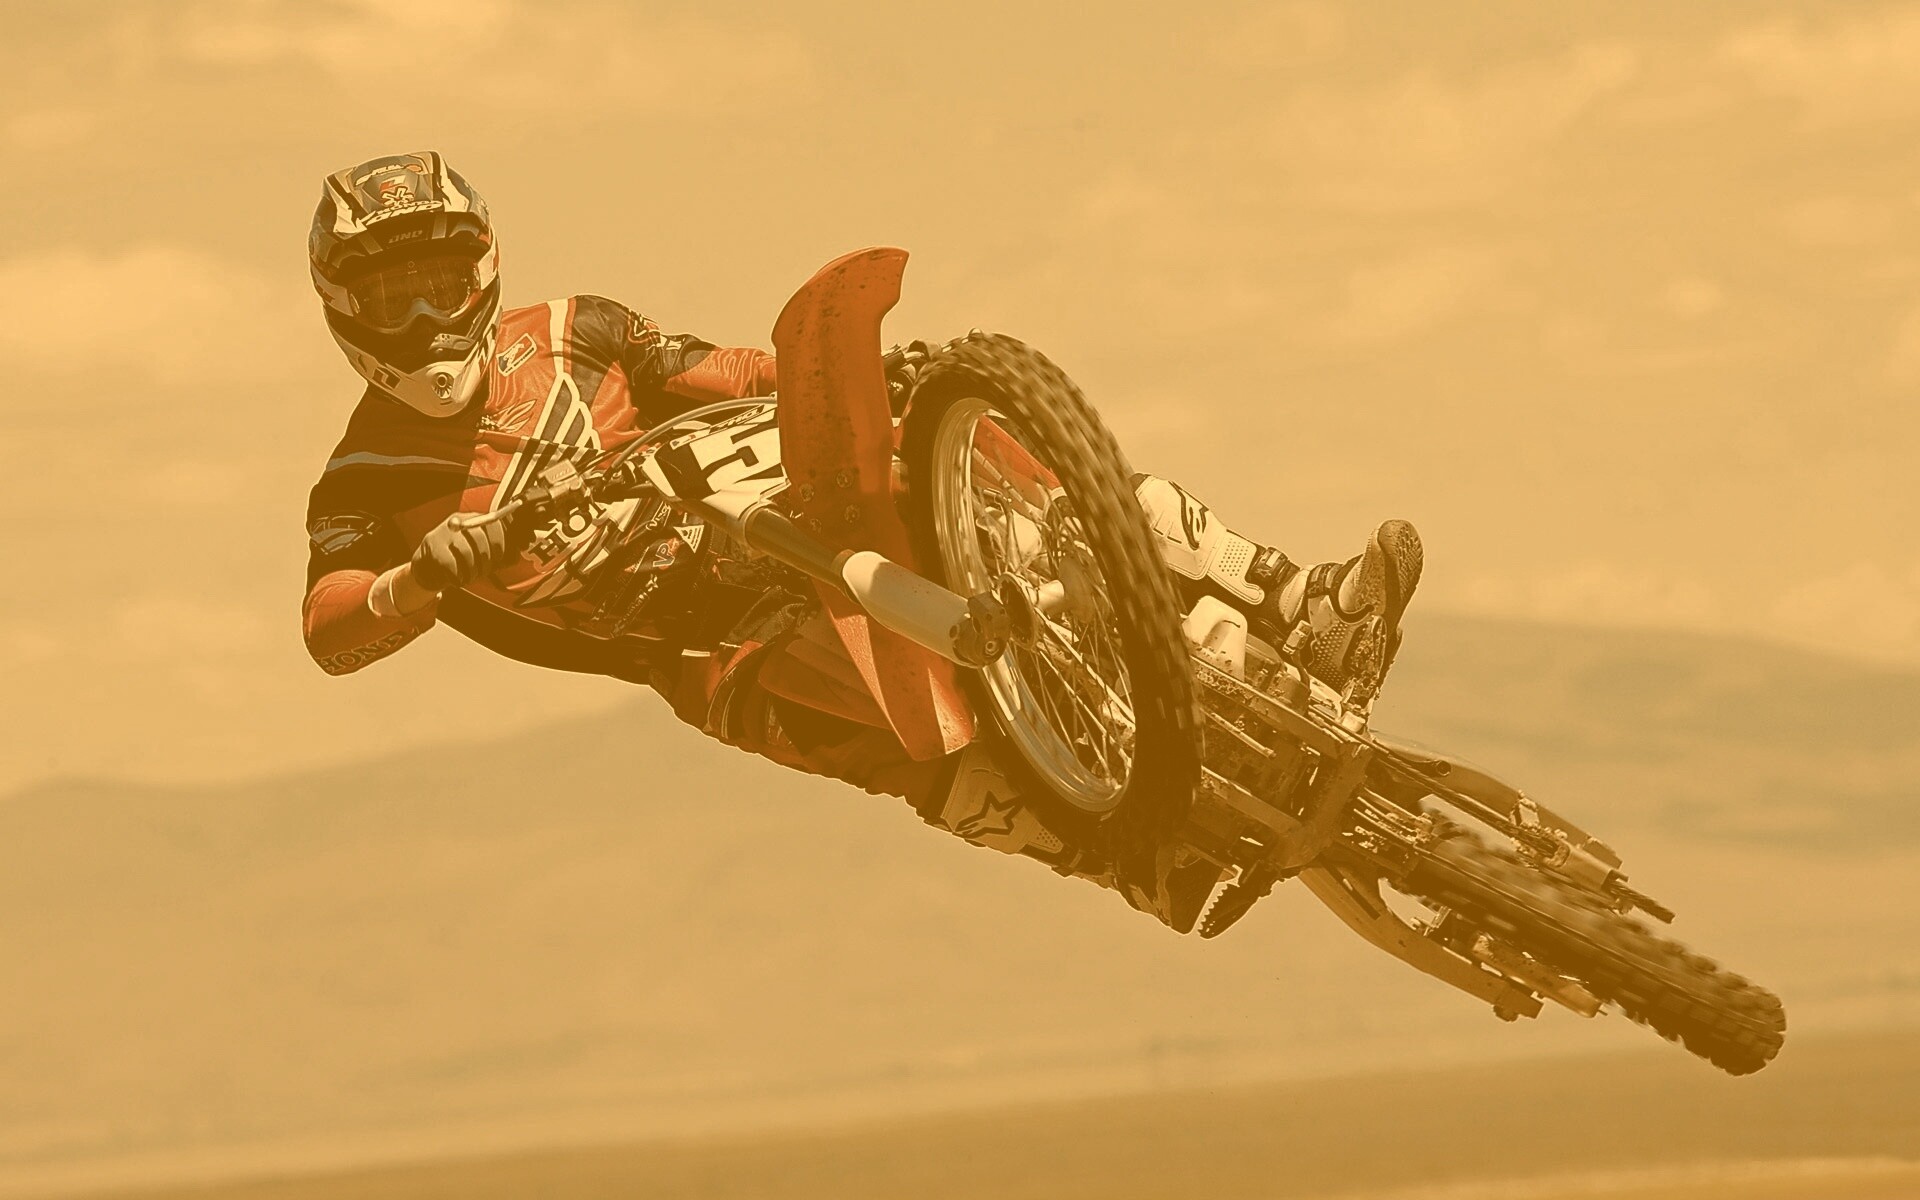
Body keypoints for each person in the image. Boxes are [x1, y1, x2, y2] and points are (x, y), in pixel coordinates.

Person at [302, 151, 1422, 927]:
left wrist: (863, 373)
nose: (424, 319)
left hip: (765, 499)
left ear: (482, 270)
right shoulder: (363, 477)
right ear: (346, 309)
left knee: (1029, 471)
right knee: (888, 748)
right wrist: (413, 581)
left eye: (438, 285)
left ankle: (1298, 604)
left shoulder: (573, 329)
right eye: (393, 298)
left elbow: (711, 369)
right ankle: (1132, 863)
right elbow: (328, 628)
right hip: (704, 642)